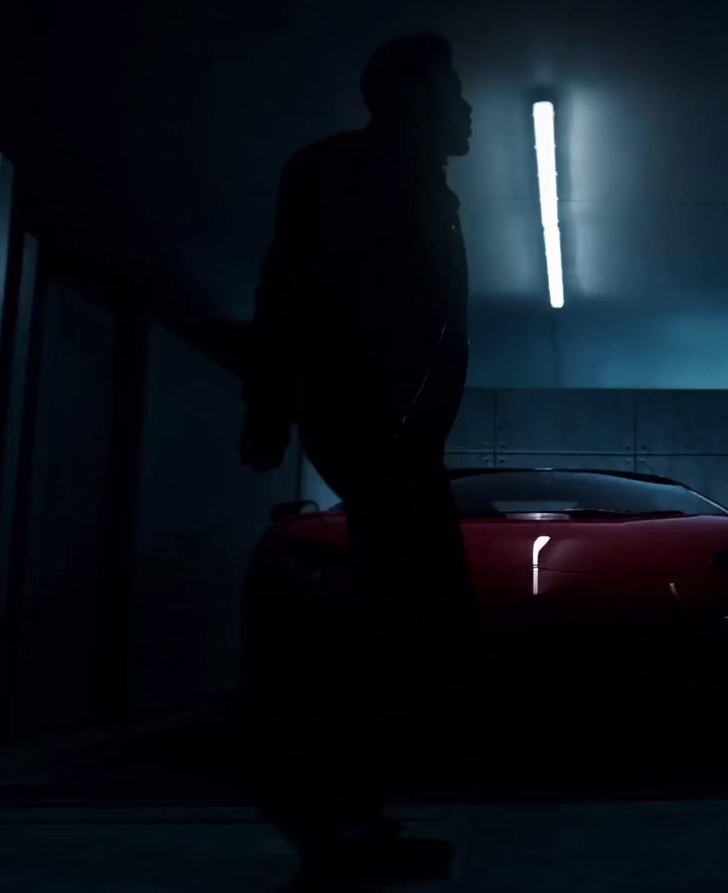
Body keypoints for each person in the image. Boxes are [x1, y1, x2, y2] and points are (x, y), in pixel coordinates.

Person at [234, 32, 474, 892]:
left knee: (407, 612)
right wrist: (271, 404)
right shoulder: (338, 172)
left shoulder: (427, 189)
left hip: (399, 433)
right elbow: (288, 288)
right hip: (376, 425)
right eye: (454, 91)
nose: (469, 108)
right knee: (403, 611)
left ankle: (345, 811)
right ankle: (321, 798)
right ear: (412, 99)